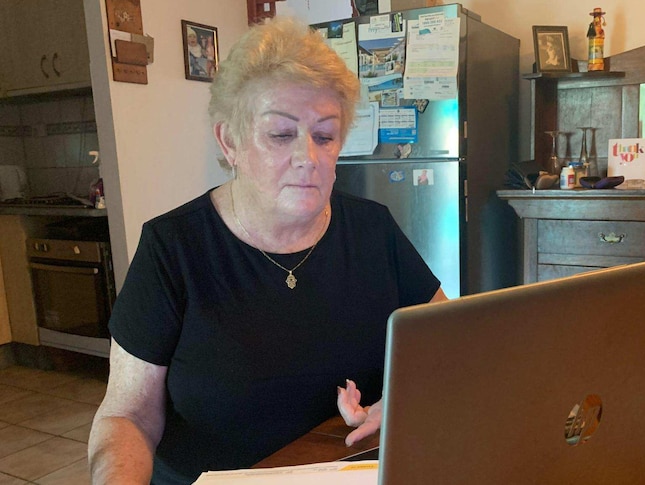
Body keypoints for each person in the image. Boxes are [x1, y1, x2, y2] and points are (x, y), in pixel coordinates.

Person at [88, 17, 446, 485]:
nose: (308, 157)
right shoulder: (172, 248)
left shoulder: (373, 228)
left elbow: (445, 347)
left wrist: (402, 400)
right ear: (230, 141)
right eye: (281, 135)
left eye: (324, 135)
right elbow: (127, 417)